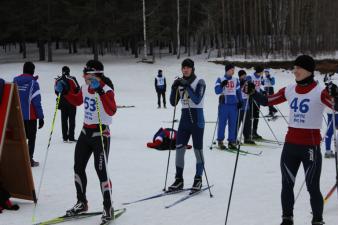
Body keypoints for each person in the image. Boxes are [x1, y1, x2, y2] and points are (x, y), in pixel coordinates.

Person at [245, 55, 335, 225]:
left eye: (299, 68)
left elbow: (334, 105)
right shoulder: (290, 89)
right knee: (286, 185)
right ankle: (287, 219)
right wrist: (253, 92)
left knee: (312, 187)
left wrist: (335, 94)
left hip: (310, 147)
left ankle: (317, 221)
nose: (295, 71)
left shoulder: (320, 91)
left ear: (309, 70)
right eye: (294, 68)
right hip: (290, 146)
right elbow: (267, 101)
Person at [56, 60, 117, 224]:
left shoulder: (107, 89)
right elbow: (76, 101)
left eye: (86, 74)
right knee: (78, 167)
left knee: (101, 171)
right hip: (85, 133)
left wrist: (101, 92)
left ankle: (108, 206)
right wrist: (65, 91)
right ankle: (82, 202)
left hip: (100, 134)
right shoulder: (85, 87)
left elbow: (112, 110)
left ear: (96, 74)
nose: (83, 76)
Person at [168, 58, 206, 194]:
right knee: (179, 149)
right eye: (183, 68)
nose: (185, 70)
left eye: (188, 67)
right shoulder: (180, 83)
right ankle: (179, 180)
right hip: (184, 120)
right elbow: (173, 102)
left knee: (197, 150)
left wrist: (186, 85)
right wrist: (174, 88)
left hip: (197, 119)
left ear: (192, 68)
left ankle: (198, 179)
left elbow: (197, 99)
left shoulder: (199, 82)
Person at [13, 62, 44, 167]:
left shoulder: (15, 81)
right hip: (31, 116)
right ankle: (28, 159)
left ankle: (19, 158)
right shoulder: (34, 84)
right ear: (33, 70)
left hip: (17, 115)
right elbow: (36, 102)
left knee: (20, 137)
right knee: (31, 137)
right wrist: (41, 117)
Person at [214, 64, 243, 150]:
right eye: (231, 70)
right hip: (224, 104)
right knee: (222, 123)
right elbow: (217, 91)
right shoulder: (220, 79)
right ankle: (220, 141)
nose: (233, 71)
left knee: (233, 124)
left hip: (233, 105)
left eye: (233, 70)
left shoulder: (235, 80)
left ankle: (231, 141)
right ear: (227, 70)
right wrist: (222, 85)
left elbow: (238, 92)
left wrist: (240, 101)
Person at [55, 66, 80, 143]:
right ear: (69, 71)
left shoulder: (58, 80)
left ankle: (65, 138)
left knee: (64, 120)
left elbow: (56, 92)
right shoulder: (72, 79)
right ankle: (71, 137)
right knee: (72, 121)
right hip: (72, 102)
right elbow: (77, 89)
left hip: (62, 102)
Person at [237, 70, 255, 144]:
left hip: (247, 104)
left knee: (247, 122)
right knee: (237, 123)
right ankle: (234, 138)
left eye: (245, 75)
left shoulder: (247, 82)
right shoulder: (237, 82)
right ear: (240, 76)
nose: (244, 76)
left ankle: (247, 138)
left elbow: (250, 90)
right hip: (240, 104)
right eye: (243, 75)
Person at [247, 66, 264, 139]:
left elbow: (258, 87)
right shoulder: (250, 76)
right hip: (251, 98)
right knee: (251, 116)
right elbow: (247, 86)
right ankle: (249, 132)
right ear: (259, 71)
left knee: (256, 116)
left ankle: (254, 132)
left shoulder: (260, 77)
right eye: (262, 71)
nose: (262, 73)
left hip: (257, 98)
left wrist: (263, 91)